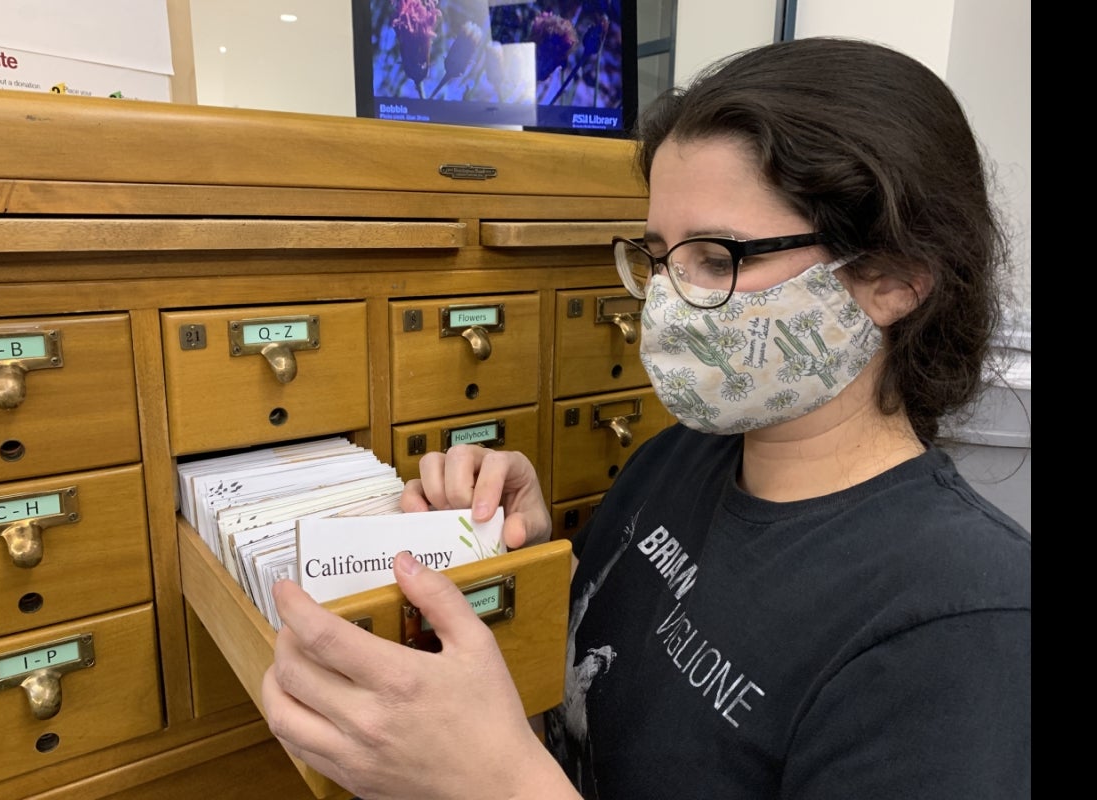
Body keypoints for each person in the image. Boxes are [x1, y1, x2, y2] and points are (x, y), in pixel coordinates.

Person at [260, 36, 1031, 799]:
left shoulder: (965, 625)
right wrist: (516, 552)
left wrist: (496, 784)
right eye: (660, 257)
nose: (667, 300)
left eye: (720, 259)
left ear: (894, 279)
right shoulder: (678, 459)